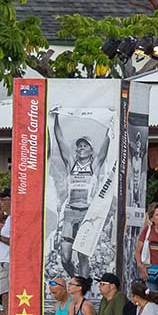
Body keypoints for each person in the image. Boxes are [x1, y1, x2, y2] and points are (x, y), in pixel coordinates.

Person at [52, 108, 113, 277]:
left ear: (91, 150)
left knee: (83, 254)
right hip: (71, 212)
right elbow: (60, 140)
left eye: (85, 146)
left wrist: (111, 126)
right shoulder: (71, 162)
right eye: (79, 146)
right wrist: (55, 118)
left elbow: (104, 148)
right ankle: (74, 279)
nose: (81, 148)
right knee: (65, 256)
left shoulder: (94, 165)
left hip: (87, 213)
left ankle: (83, 287)